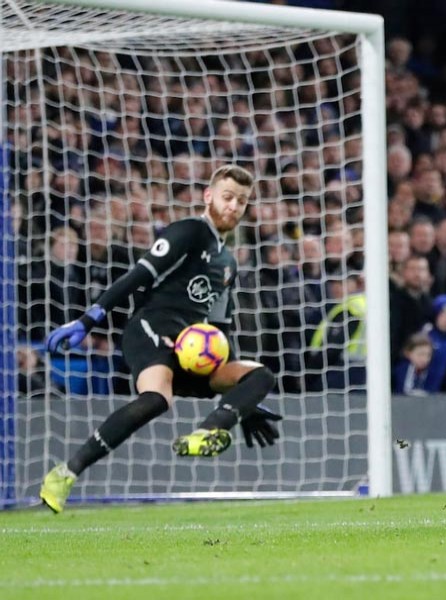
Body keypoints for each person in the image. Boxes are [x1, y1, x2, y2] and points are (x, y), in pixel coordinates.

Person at [40, 165, 282, 513]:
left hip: (191, 349)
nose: (233, 206)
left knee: (260, 375)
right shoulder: (189, 232)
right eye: (228, 197)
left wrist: (240, 402)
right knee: (156, 398)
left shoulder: (228, 264)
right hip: (150, 329)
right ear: (208, 196)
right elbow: (138, 275)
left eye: (241, 201)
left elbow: (220, 334)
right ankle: (65, 474)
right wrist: (89, 318)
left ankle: (210, 431)